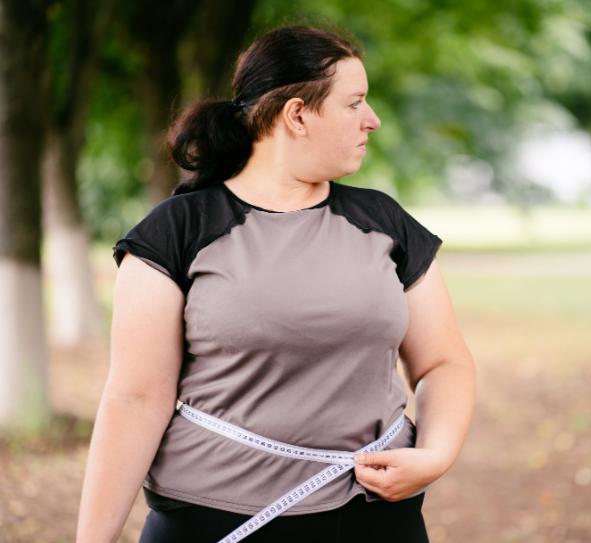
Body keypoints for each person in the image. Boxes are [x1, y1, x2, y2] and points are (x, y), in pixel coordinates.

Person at [76, 25, 475, 543]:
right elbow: (136, 398)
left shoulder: (384, 222)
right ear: (297, 115)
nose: (372, 120)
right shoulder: (178, 231)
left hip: (373, 516)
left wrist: (436, 455)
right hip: (212, 519)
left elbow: (443, 362)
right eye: (355, 103)